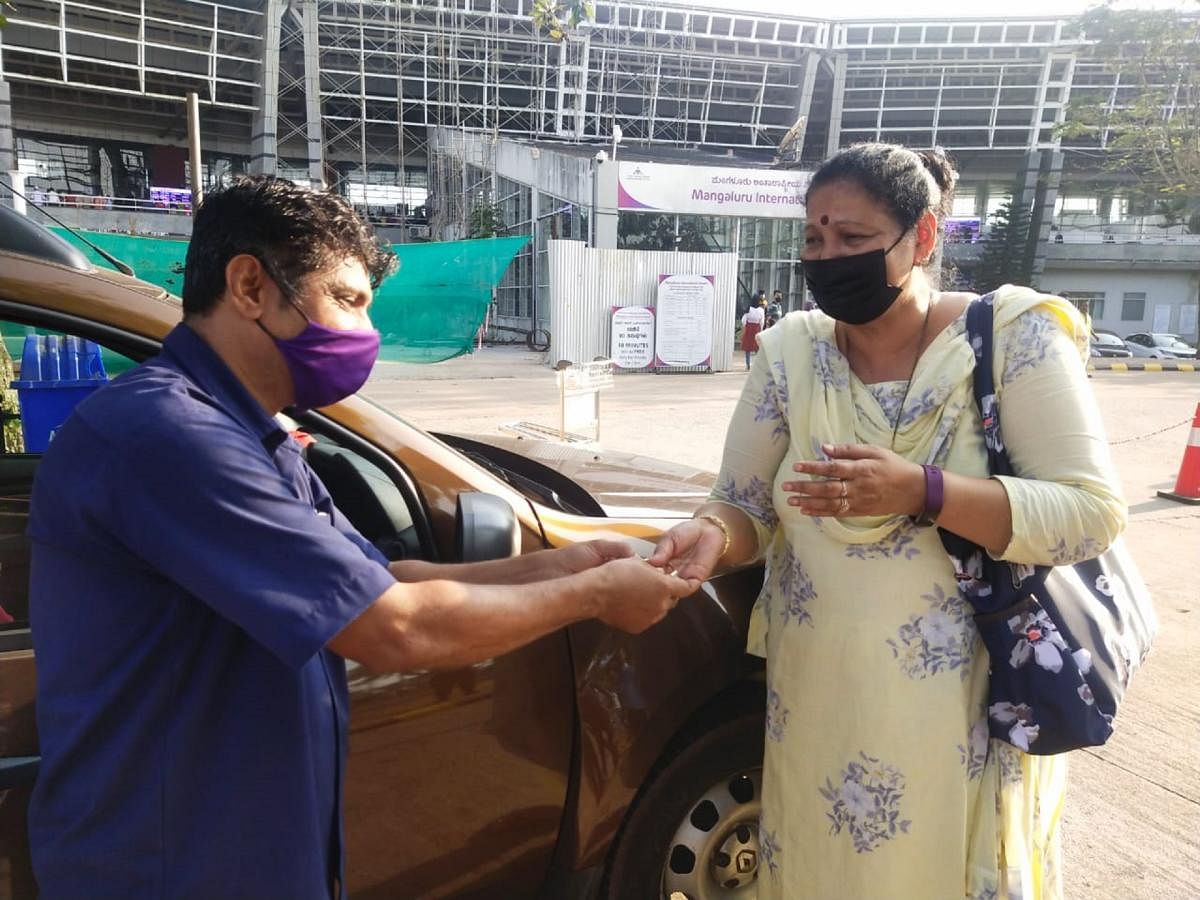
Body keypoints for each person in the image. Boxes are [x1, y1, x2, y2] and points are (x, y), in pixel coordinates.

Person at [25, 176, 696, 898]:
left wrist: (568, 563)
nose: (363, 334)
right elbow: (391, 629)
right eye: (346, 300)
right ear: (250, 285)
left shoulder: (254, 437)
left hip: (246, 853)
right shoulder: (168, 436)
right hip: (164, 867)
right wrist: (595, 595)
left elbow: (383, 578)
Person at [650, 143, 1125, 899]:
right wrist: (712, 535)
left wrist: (924, 491)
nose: (827, 256)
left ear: (923, 238)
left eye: (853, 240)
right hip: (819, 694)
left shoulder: (1010, 339)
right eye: (815, 238)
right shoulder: (790, 356)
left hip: (960, 702)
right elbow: (741, 503)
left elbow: (1091, 514)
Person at [740, 296, 766, 370]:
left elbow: (743, 320)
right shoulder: (761, 310)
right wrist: (761, 330)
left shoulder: (748, 309)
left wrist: (744, 327)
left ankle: (748, 365)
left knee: (747, 348)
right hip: (756, 329)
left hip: (749, 329)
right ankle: (757, 365)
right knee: (757, 348)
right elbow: (762, 322)